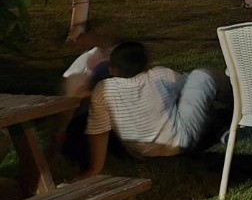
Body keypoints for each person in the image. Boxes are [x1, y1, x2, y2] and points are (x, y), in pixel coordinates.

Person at [81, 41, 230, 177]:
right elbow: (190, 86)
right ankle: (240, 100)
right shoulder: (159, 75)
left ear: (112, 69)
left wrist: (95, 169)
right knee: (201, 76)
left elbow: (98, 132)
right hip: (180, 141)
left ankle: (220, 125)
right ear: (145, 64)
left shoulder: (103, 89)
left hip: (141, 151)